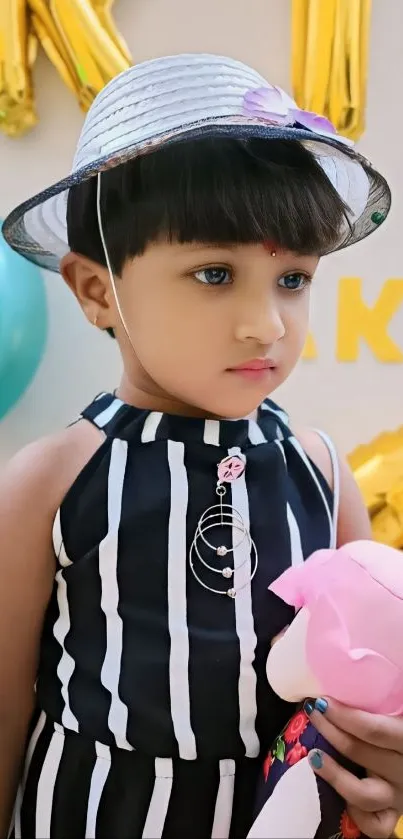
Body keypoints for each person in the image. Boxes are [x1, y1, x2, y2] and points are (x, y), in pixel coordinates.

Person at [0, 53, 400, 839]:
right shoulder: (53, 477)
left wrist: (380, 775)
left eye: (292, 278)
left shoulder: (319, 472)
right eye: (215, 274)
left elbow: (371, 675)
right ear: (95, 288)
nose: (267, 324)